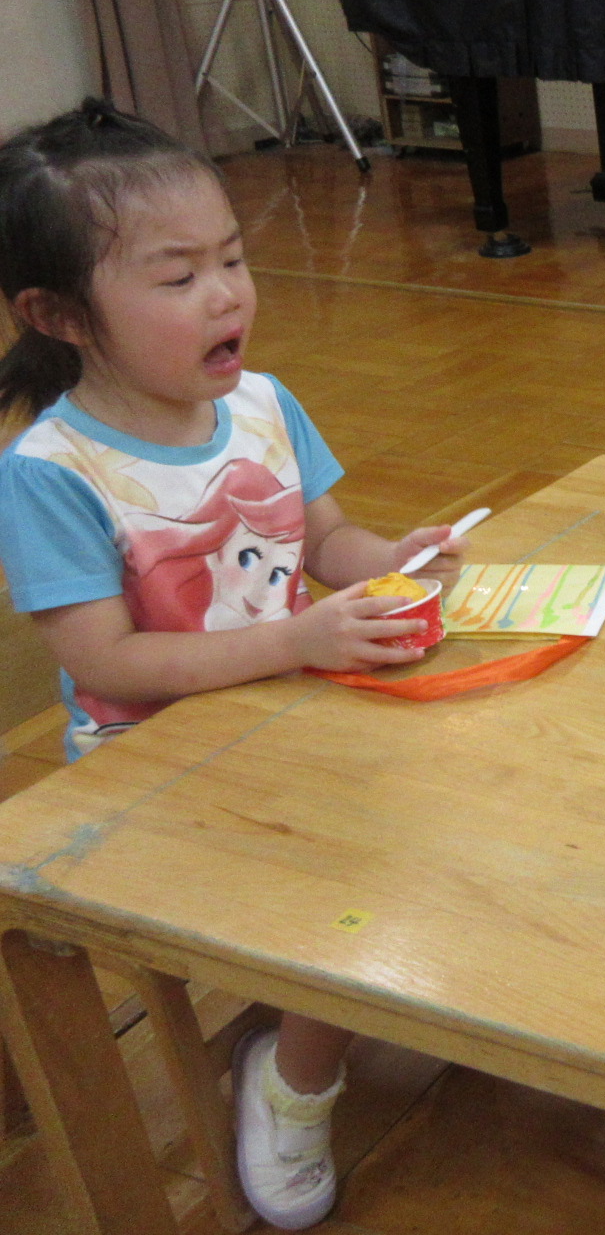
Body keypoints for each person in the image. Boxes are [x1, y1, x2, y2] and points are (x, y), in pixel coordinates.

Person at [0, 100, 472, 1231]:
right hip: (152, 770)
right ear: (56, 315)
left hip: (287, 714)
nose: (228, 296)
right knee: (353, 884)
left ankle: (377, 1001)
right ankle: (295, 1081)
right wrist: (293, 642)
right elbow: (107, 661)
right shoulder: (52, 471)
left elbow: (324, 539)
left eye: (233, 259)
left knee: (462, 798)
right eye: (179, 277)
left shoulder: (261, 404)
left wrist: (392, 562)